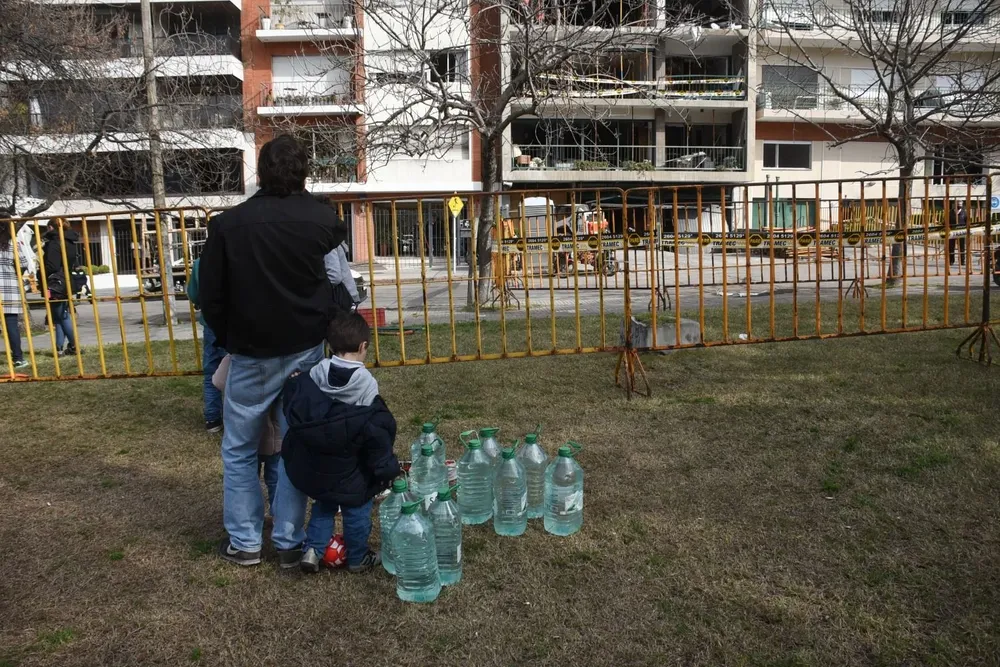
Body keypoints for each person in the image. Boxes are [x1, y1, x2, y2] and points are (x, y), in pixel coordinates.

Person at [199, 134, 347, 567]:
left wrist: (229, 338)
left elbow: (211, 297)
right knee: (291, 445)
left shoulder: (228, 226)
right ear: (304, 173)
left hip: (252, 351)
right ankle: (288, 541)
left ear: (259, 172)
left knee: (240, 449)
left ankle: (245, 542)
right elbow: (334, 280)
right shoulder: (323, 221)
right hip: (302, 349)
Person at [280, 311, 401, 574]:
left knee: (324, 505)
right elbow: (374, 430)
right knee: (357, 510)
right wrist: (387, 470)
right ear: (363, 347)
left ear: (330, 345)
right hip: (352, 466)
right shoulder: (366, 383)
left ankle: (313, 550)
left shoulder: (316, 372)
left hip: (320, 461)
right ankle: (358, 558)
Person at [211, 354, 281, 512]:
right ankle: (279, 516)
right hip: (275, 438)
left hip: (246, 436)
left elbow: (217, 381)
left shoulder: (234, 359)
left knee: (246, 479)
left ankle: (249, 515)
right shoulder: (280, 361)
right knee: (276, 480)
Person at [186, 257, 226, 433]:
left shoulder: (201, 263)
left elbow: (194, 294)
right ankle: (236, 418)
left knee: (212, 371)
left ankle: (212, 418)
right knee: (238, 372)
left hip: (211, 322)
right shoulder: (239, 256)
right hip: (234, 323)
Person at [39, 219, 81, 357]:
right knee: (58, 315)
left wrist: (41, 271)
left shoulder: (54, 243)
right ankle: (59, 348)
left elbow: (53, 266)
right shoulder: (69, 242)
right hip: (66, 281)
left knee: (62, 316)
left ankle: (74, 346)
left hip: (54, 283)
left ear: (51, 227)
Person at [0, 211, 28, 370]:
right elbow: (23, 264)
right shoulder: (13, 244)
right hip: (9, 288)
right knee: (11, 324)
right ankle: (18, 357)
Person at [949, 203, 968, 270]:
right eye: (958, 204)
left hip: (961, 232)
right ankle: (951, 260)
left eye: (961, 204)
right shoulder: (950, 212)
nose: (960, 205)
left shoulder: (964, 212)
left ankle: (962, 261)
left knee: (962, 247)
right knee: (951, 247)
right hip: (952, 232)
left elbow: (967, 222)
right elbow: (946, 221)